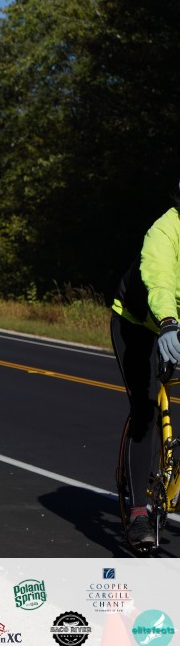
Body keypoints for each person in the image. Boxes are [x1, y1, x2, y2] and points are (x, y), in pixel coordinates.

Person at [111, 193, 180, 552]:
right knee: (146, 408)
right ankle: (139, 513)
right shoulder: (164, 230)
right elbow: (160, 280)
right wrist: (168, 322)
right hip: (138, 322)